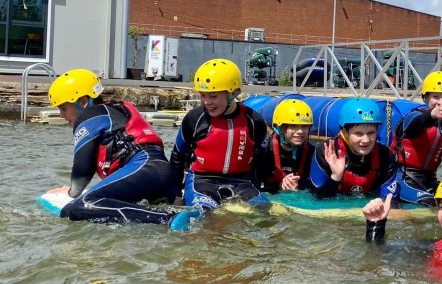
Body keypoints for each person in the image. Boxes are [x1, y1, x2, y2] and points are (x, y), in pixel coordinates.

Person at [46, 69, 200, 231]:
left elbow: (83, 169)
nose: (62, 115)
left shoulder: (88, 116)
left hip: (145, 169)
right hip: (163, 177)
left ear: (83, 101)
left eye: (63, 108)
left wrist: (70, 194)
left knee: (76, 208)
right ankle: (170, 215)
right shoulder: (118, 109)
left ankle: (167, 219)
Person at [170, 58, 272, 209]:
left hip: (241, 182)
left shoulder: (254, 121)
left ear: (233, 93)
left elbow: (265, 159)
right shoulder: (194, 119)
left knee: (262, 211)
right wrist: (175, 195)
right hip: (202, 180)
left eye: (213, 96)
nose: (206, 102)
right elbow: (177, 157)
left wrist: (263, 188)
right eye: (202, 95)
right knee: (205, 213)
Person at [391, 71, 442, 206]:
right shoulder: (413, 117)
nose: (440, 102)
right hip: (404, 179)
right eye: (435, 96)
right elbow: (419, 122)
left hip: (430, 179)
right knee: (429, 202)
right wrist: (432, 114)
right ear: (425, 97)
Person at [310, 97, 397, 199]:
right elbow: (316, 200)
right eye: (358, 134)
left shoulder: (385, 156)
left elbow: (389, 200)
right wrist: (335, 177)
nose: (366, 140)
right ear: (345, 133)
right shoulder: (327, 151)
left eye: (371, 133)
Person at [260, 98, 315, 194]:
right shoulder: (265, 151)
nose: (300, 131)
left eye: (305, 126)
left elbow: (315, 186)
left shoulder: (312, 153)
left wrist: (299, 188)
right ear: (280, 129)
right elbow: (255, 184)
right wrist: (279, 187)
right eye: (293, 126)